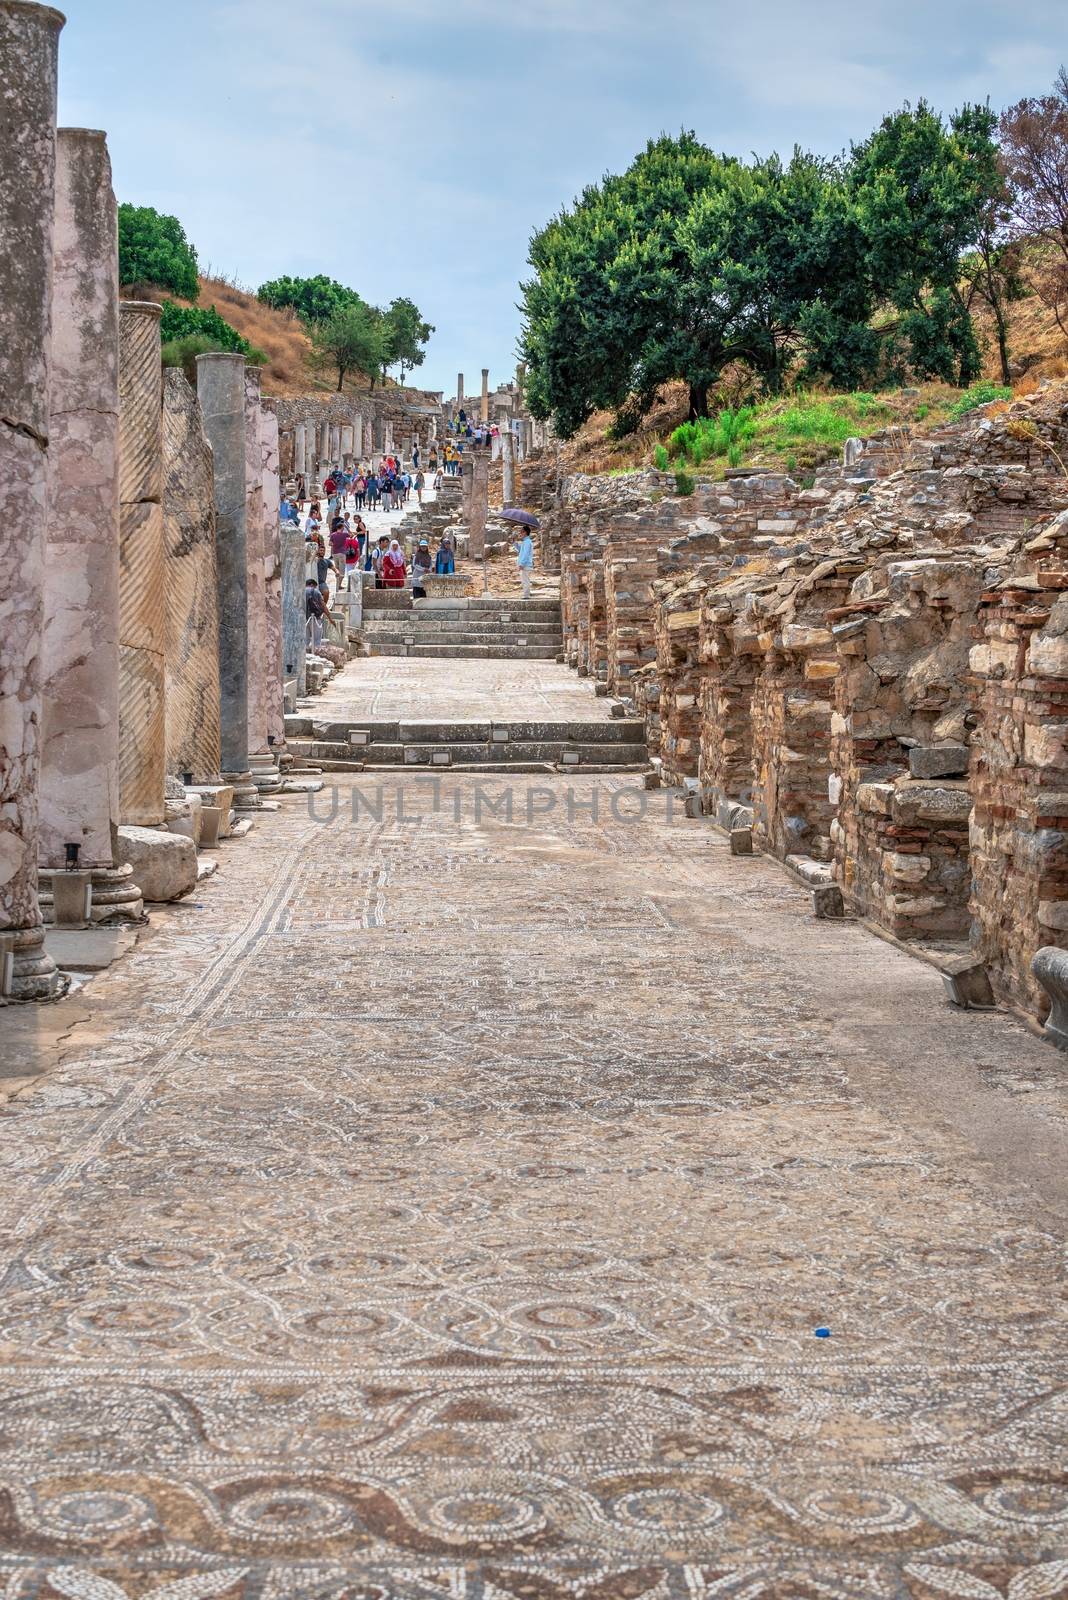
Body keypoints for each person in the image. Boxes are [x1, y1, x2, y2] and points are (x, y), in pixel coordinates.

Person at [514, 527, 534, 600]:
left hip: (525, 564)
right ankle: (526, 593)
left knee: (525, 580)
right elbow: (520, 550)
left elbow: (525, 554)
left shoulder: (527, 542)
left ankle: (526, 595)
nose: (520, 533)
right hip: (525, 564)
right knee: (524, 580)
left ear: (525, 532)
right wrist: (515, 543)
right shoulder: (525, 542)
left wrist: (522, 564)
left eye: (521, 532)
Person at [305, 577, 325, 650]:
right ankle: (316, 656)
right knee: (316, 641)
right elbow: (323, 606)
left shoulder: (300, 591)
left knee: (305, 641)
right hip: (315, 618)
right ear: (312, 585)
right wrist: (330, 618)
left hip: (304, 619)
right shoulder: (316, 592)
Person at [329, 516, 347, 584]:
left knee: (337, 569)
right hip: (342, 553)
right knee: (342, 571)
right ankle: (339, 585)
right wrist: (347, 528)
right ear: (342, 528)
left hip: (335, 553)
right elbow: (352, 534)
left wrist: (334, 544)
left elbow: (330, 544)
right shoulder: (345, 534)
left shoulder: (333, 535)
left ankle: (337, 584)